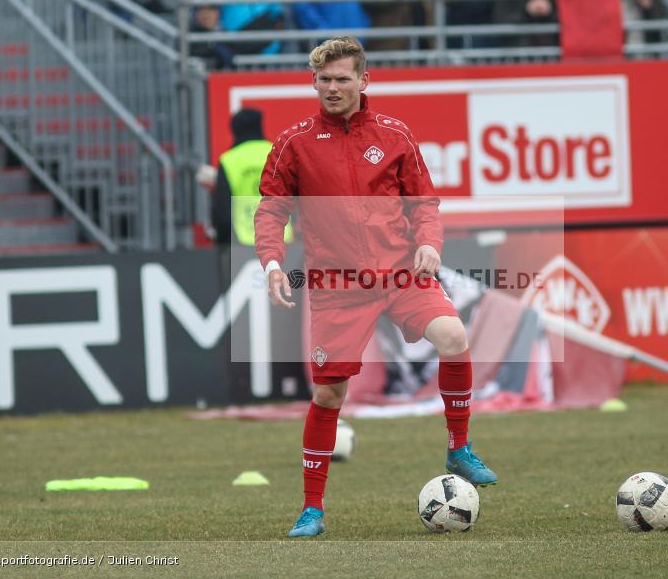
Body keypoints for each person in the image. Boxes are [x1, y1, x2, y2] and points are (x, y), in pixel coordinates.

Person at [254, 36, 498, 538]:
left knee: (454, 336)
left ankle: (458, 448)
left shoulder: (394, 134)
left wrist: (428, 243)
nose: (332, 88)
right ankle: (312, 509)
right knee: (329, 394)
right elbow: (271, 210)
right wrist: (272, 264)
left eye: (342, 79)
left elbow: (423, 203)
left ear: (364, 81)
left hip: (399, 272)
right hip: (337, 286)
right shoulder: (294, 142)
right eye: (324, 80)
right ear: (313, 82)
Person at [213, 107, 292, 245]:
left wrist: (222, 242)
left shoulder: (229, 160)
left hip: (244, 241)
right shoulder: (278, 153)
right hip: (281, 239)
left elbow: (222, 212)